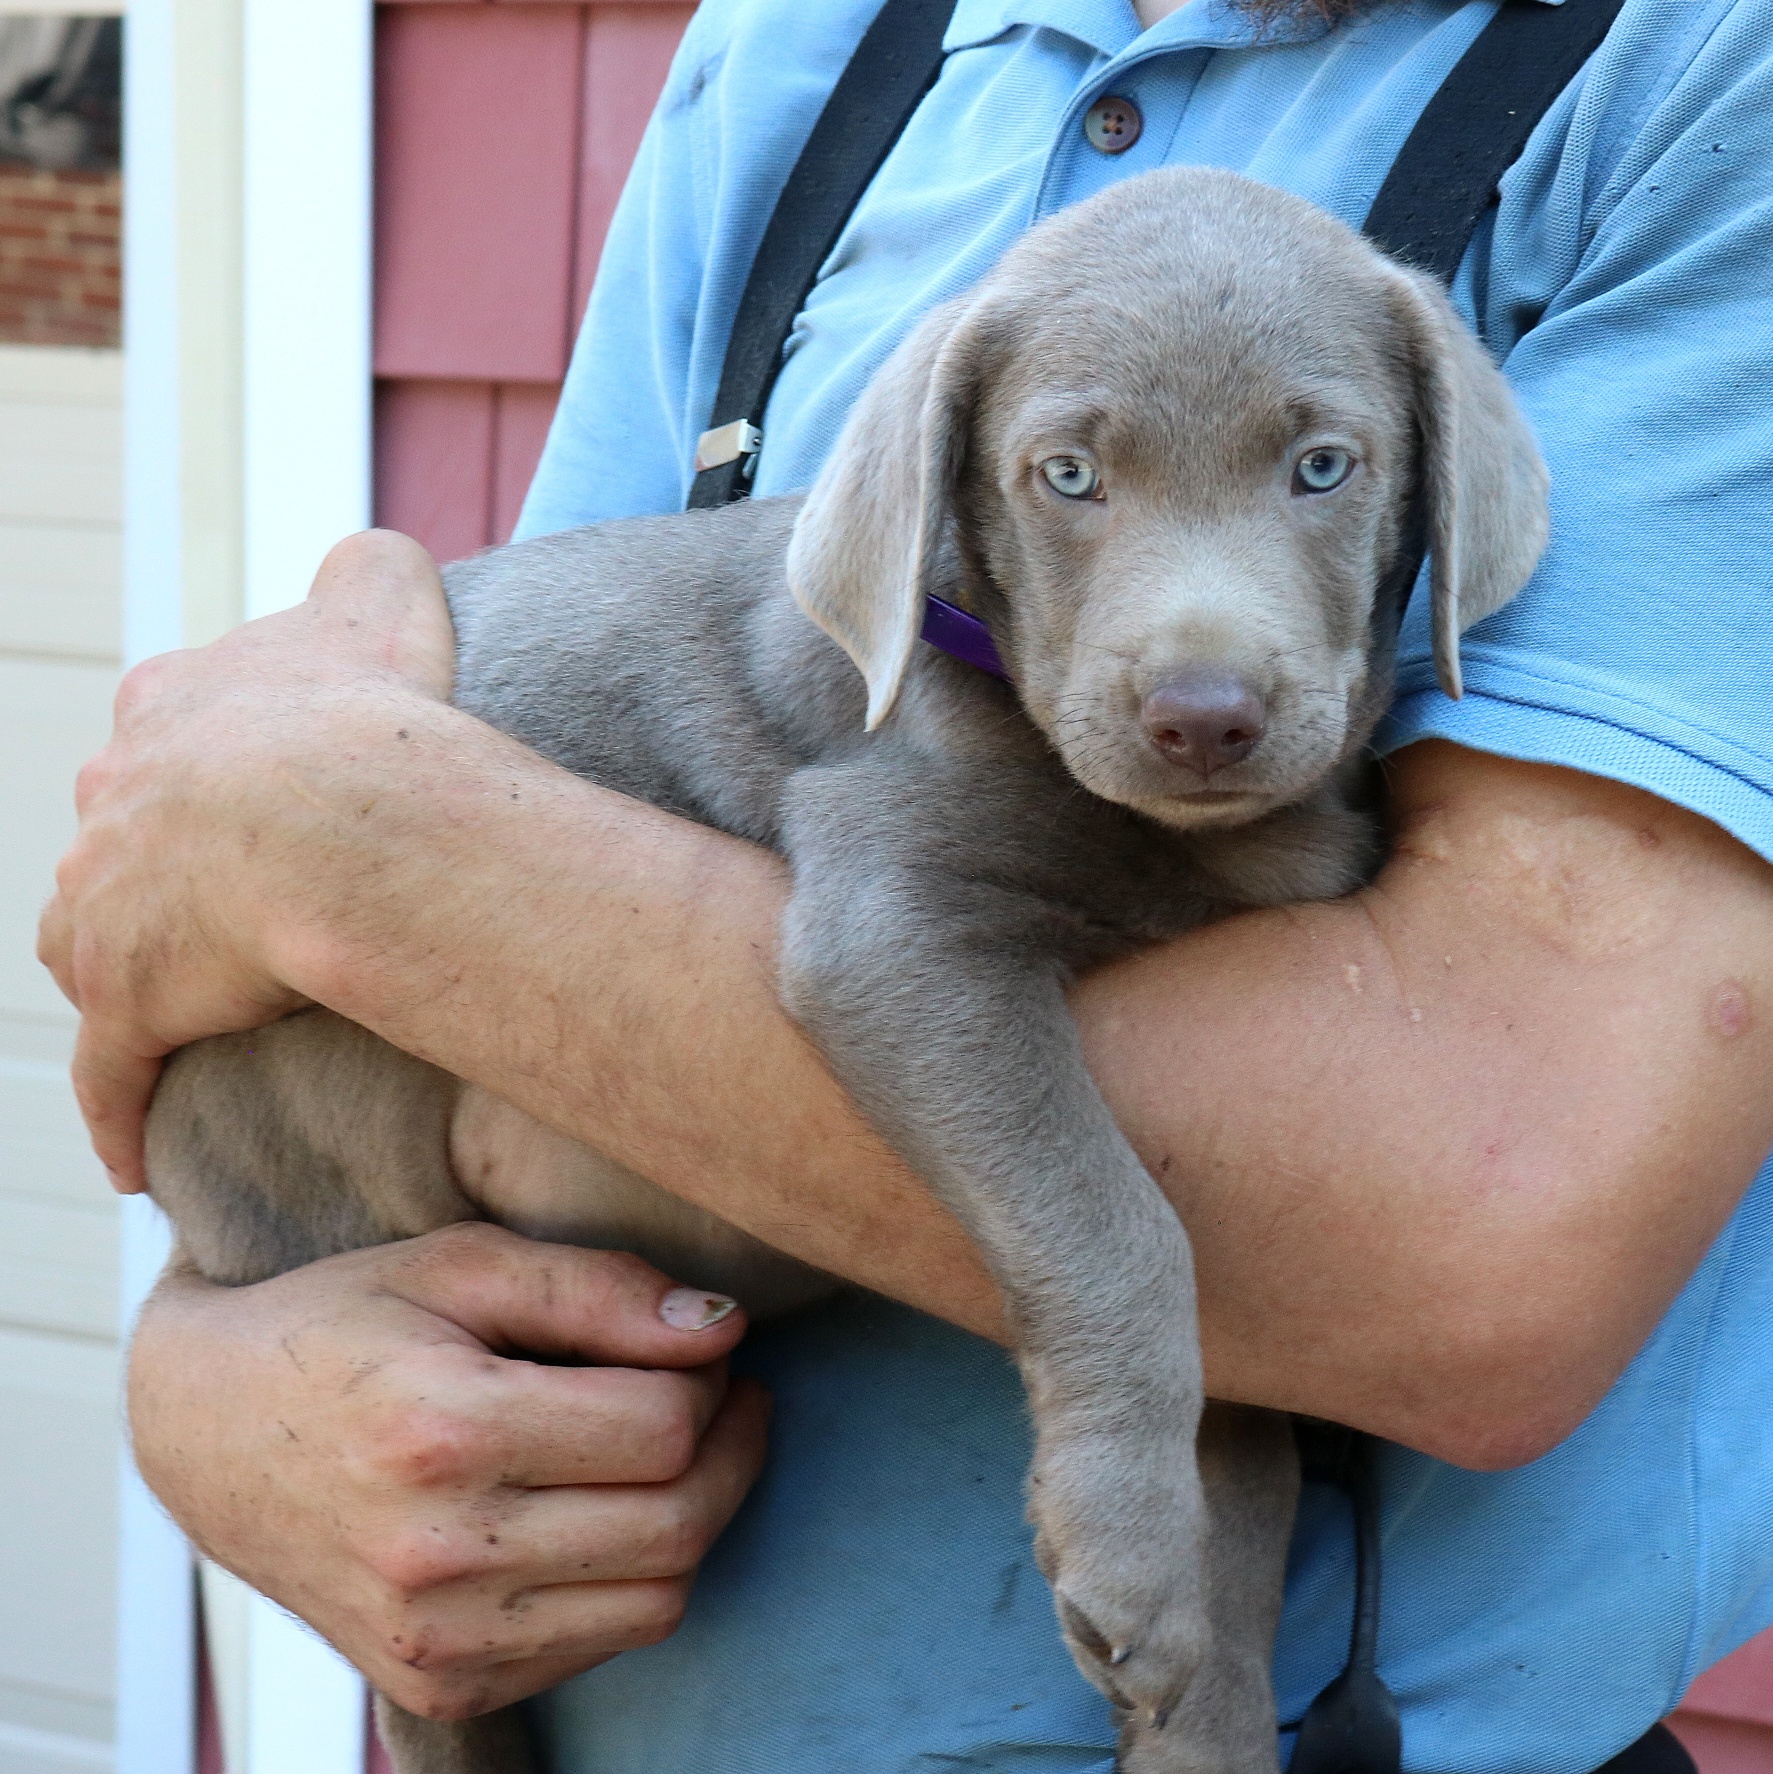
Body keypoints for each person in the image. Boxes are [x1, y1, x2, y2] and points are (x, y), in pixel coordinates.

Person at [40, 0, 1773, 1769]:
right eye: (1072, 480)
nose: (1202, 664)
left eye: (1320, 468)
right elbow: (482, 898)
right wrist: (209, 1385)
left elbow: (1467, 1251)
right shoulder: (805, 46)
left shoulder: (1708, 74)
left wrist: (325, 840)